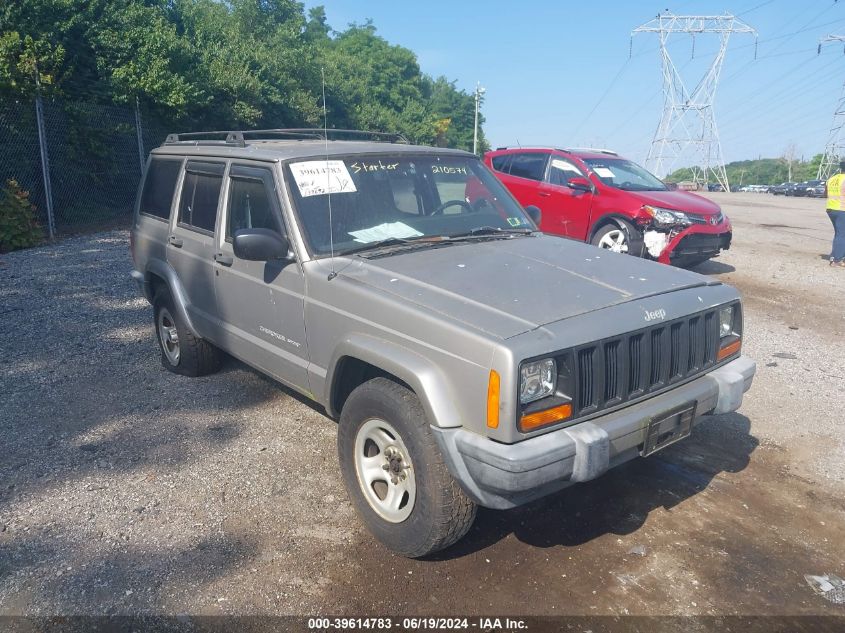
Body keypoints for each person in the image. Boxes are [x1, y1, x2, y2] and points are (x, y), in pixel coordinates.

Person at [825, 160, 845, 267]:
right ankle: (837, 260)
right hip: (842, 209)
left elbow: (825, 194)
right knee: (842, 234)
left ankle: (835, 255)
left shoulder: (832, 179)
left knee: (839, 233)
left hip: (831, 209)